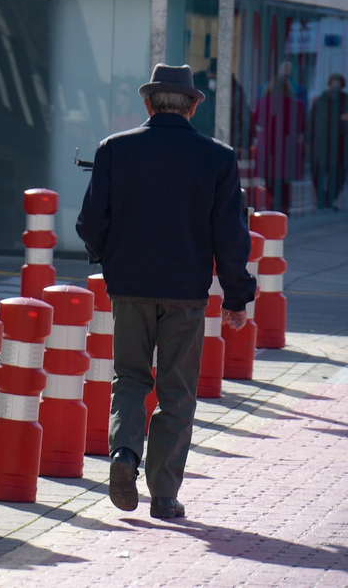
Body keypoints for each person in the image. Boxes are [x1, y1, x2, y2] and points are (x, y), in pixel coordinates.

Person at [77, 63, 256, 520]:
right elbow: (230, 236)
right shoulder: (217, 157)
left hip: (130, 287)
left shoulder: (114, 149)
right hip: (186, 291)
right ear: (195, 104)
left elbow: (90, 223)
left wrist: (111, 261)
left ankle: (123, 455)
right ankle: (163, 494)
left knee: (131, 378)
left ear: (148, 103)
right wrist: (237, 296)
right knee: (177, 391)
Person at [253, 63, 306, 213]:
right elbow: (301, 126)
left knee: (269, 176)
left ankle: (272, 203)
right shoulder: (297, 105)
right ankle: (284, 206)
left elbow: (257, 121)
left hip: (269, 144)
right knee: (285, 179)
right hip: (288, 145)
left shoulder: (263, 103)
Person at [308, 72, 347, 210]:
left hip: (340, 144)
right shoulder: (320, 101)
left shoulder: (345, 100)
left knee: (338, 174)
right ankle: (321, 198)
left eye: (338, 84)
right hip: (320, 144)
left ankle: (330, 199)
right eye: (333, 84)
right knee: (318, 172)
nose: (335, 87)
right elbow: (312, 121)